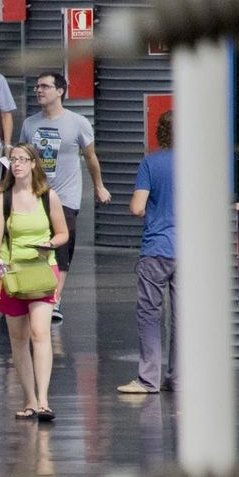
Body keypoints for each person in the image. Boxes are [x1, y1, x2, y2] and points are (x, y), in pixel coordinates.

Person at [0, 144, 70, 422]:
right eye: (14, 160)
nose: (18, 164)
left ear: (34, 163)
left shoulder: (48, 197)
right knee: (18, 338)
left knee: (40, 332)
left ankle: (43, 400)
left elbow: (63, 233)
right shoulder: (4, 200)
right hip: (12, 273)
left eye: (23, 159)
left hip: (42, 270)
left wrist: (50, 243)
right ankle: (30, 399)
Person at [21, 68, 111, 320]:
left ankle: (54, 299)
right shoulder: (29, 124)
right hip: (35, 194)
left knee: (62, 247)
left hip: (65, 197)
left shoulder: (78, 122)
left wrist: (99, 186)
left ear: (60, 91)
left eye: (45, 86)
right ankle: (35, 292)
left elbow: (90, 157)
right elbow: (22, 159)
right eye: (37, 86)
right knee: (36, 245)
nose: (39, 90)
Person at [119, 109, 176, 397]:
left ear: (160, 133)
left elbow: (137, 207)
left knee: (150, 314)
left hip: (156, 249)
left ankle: (148, 379)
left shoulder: (150, 163)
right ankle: (179, 378)